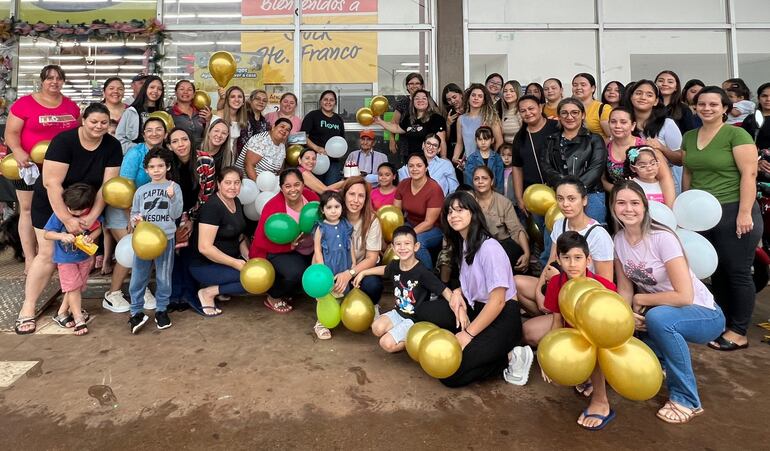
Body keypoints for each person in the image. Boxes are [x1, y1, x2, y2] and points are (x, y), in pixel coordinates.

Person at [611, 180, 725, 424]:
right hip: (663, 310)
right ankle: (660, 363)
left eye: (634, 203)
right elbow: (624, 288)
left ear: (645, 206)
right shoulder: (619, 240)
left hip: (704, 315)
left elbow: (684, 296)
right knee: (637, 319)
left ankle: (687, 399)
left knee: (658, 318)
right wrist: (627, 313)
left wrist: (642, 299)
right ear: (613, 207)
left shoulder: (662, 238)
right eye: (621, 203)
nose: (628, 209)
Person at [15, 103, 121, 335]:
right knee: (48, 254)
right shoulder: (64, 141)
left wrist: (92, 216)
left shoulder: (112, 145)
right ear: (83, 120)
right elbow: (52, 182)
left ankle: (65, 309)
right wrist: (66, 218)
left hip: (86, 206)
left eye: (104, 123)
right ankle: (27, 308)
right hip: (53, 202)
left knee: (79, 259)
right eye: (94, 121)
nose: (99, 126)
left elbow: (107, 186)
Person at [682, 86, 762, 351]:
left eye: (713, 104)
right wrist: (685, 208)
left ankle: (739, 331)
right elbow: (688, 173)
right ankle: (723, 322)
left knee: (737, 271)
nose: (706, 108)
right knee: (716, 272)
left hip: (734, 208)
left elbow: (749, 174)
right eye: (701, 104)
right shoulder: (690, 136)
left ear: (725, 108)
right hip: (702, 215)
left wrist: (743, 213)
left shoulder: (736, 134)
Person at [521, 231, 617, 430]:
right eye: (566, 258)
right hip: (572, 334)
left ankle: (601, 401)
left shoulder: (602, 286)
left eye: (578, 258)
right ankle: (585, 376)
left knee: (594, 345)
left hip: (600, 336)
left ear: (588, 260)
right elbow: (557, 321)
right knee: (555, 367)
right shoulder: (556, 282)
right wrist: (548, 357)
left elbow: (614, 324)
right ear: (558, 259)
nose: (572, 264)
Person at [439, 191, 523, 388]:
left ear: (473, 213)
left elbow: (498, 301)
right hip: (478, 310)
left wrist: (468, 334)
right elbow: (473, 281)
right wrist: (458, 292)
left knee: (451, 375)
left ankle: (512, 357)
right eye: (450, 212)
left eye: (460, 210)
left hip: (502, 317)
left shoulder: (489, 248)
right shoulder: (464, 244)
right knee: (432, 317)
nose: (454, 215)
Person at [5, 64, 80, 275]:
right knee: (27, 210)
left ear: (63, 81)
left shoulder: (70, 106)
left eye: (58, 78)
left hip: (61, 169)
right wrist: (18, 151)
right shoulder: (24, 104)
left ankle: (56, 255)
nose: (54, 82)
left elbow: (78, 135)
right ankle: (31, 257)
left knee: (58, 209)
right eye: (49, 78)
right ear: (42, 81)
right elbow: (11, 132)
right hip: (29, 167)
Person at [514, 177, 614, 315]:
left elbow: (604, 285)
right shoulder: (559, 224)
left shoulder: (598, 235)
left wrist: (561, 284)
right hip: (558, 285)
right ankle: (549, 318)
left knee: (528, 332)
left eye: (571, 199)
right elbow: (551, 261)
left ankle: (558, 323)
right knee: (516, 283)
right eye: (560, 199)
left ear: (584, 200)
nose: (565, 204)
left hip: (583, 298)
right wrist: (539, 291)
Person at [356, 225, 464, 353]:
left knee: (385, 343)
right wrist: (364, 272)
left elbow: (444, 291)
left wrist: (459, 308)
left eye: (407, 243)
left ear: (416, 246)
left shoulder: (423, 272)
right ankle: (400, 333)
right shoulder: (395, 265)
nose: (402, 248)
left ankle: (416, 340)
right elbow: (384, 269)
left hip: (414, 319)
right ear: (392, 247)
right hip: (398, 312)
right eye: (398, 244)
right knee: (376, 328)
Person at [103, 117, 168, 314]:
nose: (154, 133)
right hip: (124, 208)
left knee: (147, 250)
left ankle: (141, 288)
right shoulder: (135, 153)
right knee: (131, 249)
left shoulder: (165, 154)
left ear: (165, 134)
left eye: (159, 129)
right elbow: (124, 189)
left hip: (147, 211)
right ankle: (112, 294)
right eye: (149, 129)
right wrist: (132, 216)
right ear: (143, 134)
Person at [126, 148, 183, 334]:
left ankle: (161, 310)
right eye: (152, 167)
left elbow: (175, 214)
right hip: (144, 241)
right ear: (146, 170)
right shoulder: (141, 191)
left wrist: (172, 197)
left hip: (165, 238)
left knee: (164, 277)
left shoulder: (174, 187)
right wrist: (135, 221)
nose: (156, 170)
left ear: (167, 167)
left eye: (160, 166)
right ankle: (135, 311)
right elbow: (135, 213)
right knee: (138, 276)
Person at [249, 168, 320, 313]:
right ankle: (274, 296)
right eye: (288, 186)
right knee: (296, 273)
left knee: (312, 273)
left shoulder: (311, 198)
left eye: (297, 184)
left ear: (303, 184)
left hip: (311, 249)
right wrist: (289, 246)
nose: (293, 190)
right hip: (279, 250)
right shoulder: (273, 206)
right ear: (281, 188)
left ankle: (290, 292)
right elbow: (260, 241)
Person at [189, 167, 250, 316]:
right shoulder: (213, 207)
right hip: (204, 265)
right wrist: (236, 264)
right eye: (228, 182)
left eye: (236, 183)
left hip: (227, 260)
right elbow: (205, 248)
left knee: (261, 273)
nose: (232, 187)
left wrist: (248, 256)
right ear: (218, 183)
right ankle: (208, 292)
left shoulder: (236, 200)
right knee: (251, 279)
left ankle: (221, 286)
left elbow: (239, 235)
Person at [167, 127, 216, 309]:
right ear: (169, 146)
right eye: (175, 141)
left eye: (184, 139)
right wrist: (179, 220)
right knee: (172, 255)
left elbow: (207, 194)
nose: (181, 144)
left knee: (190, 254)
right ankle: (173, 296)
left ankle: (189, 294)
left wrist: (192, 220)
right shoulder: (167, 163)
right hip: (171, 215)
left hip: (198, 213)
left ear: (191, 141)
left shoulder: (205, 160)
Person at [43, 183, 102, 336]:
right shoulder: (59, 216)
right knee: (74, 288)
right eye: (72, 210)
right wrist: (62, 235)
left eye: (80, 210)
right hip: (65, 259)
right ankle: (79, 319)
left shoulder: (89, 214)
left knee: (77, 287)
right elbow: (47, 234)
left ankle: (62, 312)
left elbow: (98, 228)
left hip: (84, 257)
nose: (76, 213)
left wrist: (91, 237)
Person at [541, 98, 608, 223]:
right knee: (557, 236)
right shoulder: (550, 140)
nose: (569, 116)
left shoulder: (594, 139)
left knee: (592, 236)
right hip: (560, 196)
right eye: (564, 113)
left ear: (582, 115)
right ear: (559, 116)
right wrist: (565, 190)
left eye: (575, 112)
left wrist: (574, 191)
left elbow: (596, 168)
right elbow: (546, 167)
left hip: (591, 194)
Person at [310, 191, 354, 339]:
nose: (333, 210)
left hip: (343, 264)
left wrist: (353, 263)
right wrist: (322, 268)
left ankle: (337, 315)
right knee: (326, 294)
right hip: (328, 265)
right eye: (329, 207)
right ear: (323, 209)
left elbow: (350, 244)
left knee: (341, 290)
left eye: (337, 206)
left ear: (342, 208)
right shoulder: (321, 227)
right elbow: (317, 249)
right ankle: (321, 322)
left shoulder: (345, 224)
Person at [628, 80, 684, 192]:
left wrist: (661, 148)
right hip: (635, 188)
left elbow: (680, 159)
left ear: (656, 101)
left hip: (666, 187)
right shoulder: (624, 124)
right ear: (631, 97)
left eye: (649, 95)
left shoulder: (667, 124)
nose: (643, 97)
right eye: (638, 93)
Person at [472, 166, 530, 274]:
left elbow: (516, 230)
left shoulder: (504, 202)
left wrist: (526, 253)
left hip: (502, 244)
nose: (480, 182)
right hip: (478, 245)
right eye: (476, 179)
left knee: (513, 254)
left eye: (484, 178)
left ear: (492, 181)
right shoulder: (469, 201)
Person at [394, 153, 444, 269]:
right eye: (411, 166)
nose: (414, 169)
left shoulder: (434, 188)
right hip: (410, 224)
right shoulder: (403, 184)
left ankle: (428, 277)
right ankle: (401, 274)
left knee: (417, 243)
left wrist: (408, 234)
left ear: (425, 168)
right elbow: (396, 212)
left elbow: (429, 222)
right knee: (396, 237)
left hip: (434, 229)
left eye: (419, 165)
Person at [375, 89, 447, 158]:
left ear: (429, 101)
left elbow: (442, 141)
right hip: (412, 160)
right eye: (417, 98)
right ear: (413, 102)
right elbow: (396, 128)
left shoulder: (437, 119)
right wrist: (380, 121)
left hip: (429, 160)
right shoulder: (409, 118)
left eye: (424, 98)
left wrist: (443, 158)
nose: (420, 100)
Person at [452, 84, 503, 167]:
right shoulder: (461, 119)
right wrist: (455, 157)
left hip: (486, 163)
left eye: (480, 96)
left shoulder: (490, 117)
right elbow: (459, 143)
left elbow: (499, 141)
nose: (476, 98)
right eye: (473, 95)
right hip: (469, 163)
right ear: (468, 98)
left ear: (483, 101)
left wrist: (493, 159)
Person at [301, 90, 346, 185]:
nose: (328, 102)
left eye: (331, 100)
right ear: (321, 102)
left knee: (331, 191)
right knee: (315, 191)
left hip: (333, 162)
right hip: (315, 161)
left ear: (335, 103)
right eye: (325, 99)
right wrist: (316, 148)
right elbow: (303, 136)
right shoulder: (313, 115)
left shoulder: (338, 119)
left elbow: (341, 140)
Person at [116, 75, 164, 154]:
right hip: (136, 158)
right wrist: (142, 149)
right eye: (152, 87)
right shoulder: (131, 112)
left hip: (159, 158)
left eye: (159, 89)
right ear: (145, 89)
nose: (155, 91)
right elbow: (119, 139)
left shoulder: (164, 114)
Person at [602, 107, 646, 192]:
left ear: (633, 125)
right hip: (616, 198)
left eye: (623, 122)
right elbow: (602, 179)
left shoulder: (644, 146)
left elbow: (664, 177)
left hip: (646, 198)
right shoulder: (605, 147)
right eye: (613, 122)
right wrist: (620, 192)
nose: (617, 126)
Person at [390, 73, 428, 162]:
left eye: (417, 83)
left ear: (422, 86)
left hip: (424, 146)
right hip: (406, 146)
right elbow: (394, 123)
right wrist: (392, 140)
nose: (414, 86)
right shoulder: (403, 102)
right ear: (407, 86)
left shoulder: (428, 101)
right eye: (411, 83)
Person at [168, 80, 210, 151]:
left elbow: (207, 135)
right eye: (182, 89)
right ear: (176, 93)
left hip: (199, 153)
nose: (185, 92)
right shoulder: (169, 114)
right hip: (179, 154)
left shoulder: (201, 112)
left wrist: (208, 120)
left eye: (189, 89)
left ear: (194, 94)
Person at [213, 86, 250, 163]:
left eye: (239, 97)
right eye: (232, 97)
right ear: (227, 100)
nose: (236, 99)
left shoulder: (241, 118)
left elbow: (234, 144)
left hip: (230, 159)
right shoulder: (220, 115)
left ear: (243, 102)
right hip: (217, 158)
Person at [655, 70, 697, 134]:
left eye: (670, 82)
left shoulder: (684, 109)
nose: (665, 84)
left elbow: (690, 134)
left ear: (676, 87)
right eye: (660, 81)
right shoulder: (648, 106)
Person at [571, 73, 611, 140]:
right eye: (575, 85)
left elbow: (611, 136)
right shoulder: (568, 108)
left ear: (593, 88)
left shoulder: (603, 109)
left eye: (583, 85)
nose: (578, 88)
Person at [464, 126, 504, 193]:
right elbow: (469, 180)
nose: (483, 142)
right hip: (476, 194)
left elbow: (500, 180)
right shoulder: (471, 158)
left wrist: (499, 195)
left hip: (493, 193)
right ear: (476, 141)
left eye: (486, 139)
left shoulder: (497, 158)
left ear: (492, 140)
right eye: (480, 139)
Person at [742, 82, 770, 150]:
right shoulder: (750, 119)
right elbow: (743, 142)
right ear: (758, 98)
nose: (768, 99)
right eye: (764, 96)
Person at [442, 83, 465, 153]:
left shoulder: (471, 109)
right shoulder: (448, 113)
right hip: (453, 149)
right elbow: (446, 140)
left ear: (461, 94)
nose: (452, 101)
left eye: (454, 97)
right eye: (449, 99)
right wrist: (448, 125)